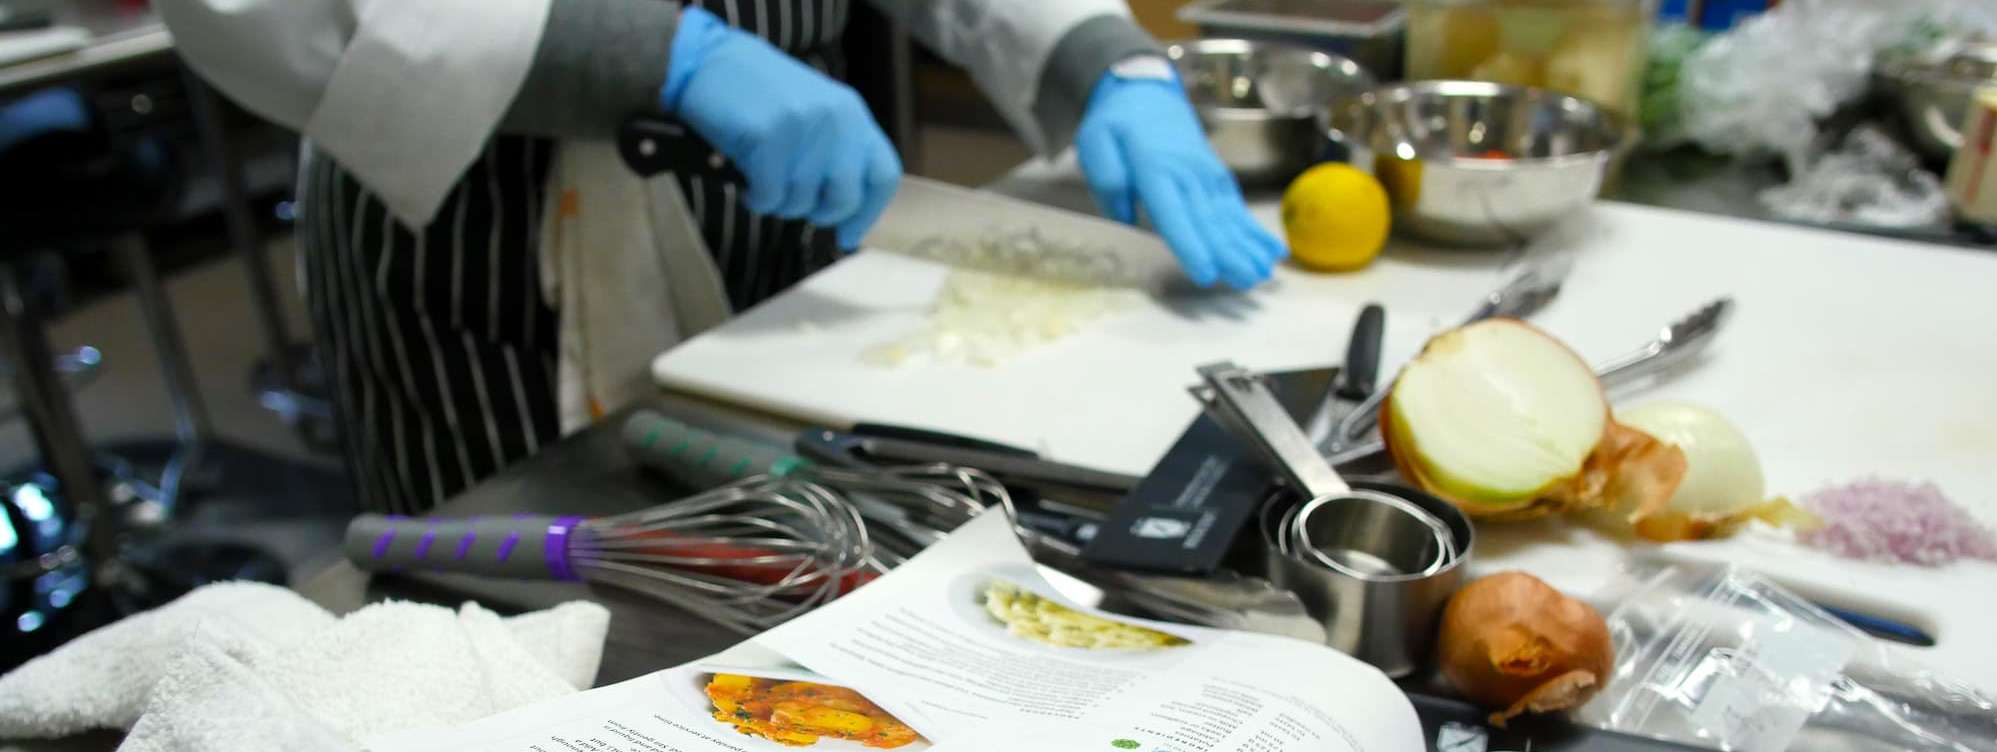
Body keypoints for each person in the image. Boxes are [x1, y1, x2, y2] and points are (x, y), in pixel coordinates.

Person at [156, 0, 1286, 513]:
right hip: (478, 218)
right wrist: (648, 50)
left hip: (786, 188)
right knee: (515, 614)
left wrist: (1094, 54)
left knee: (805, 529)